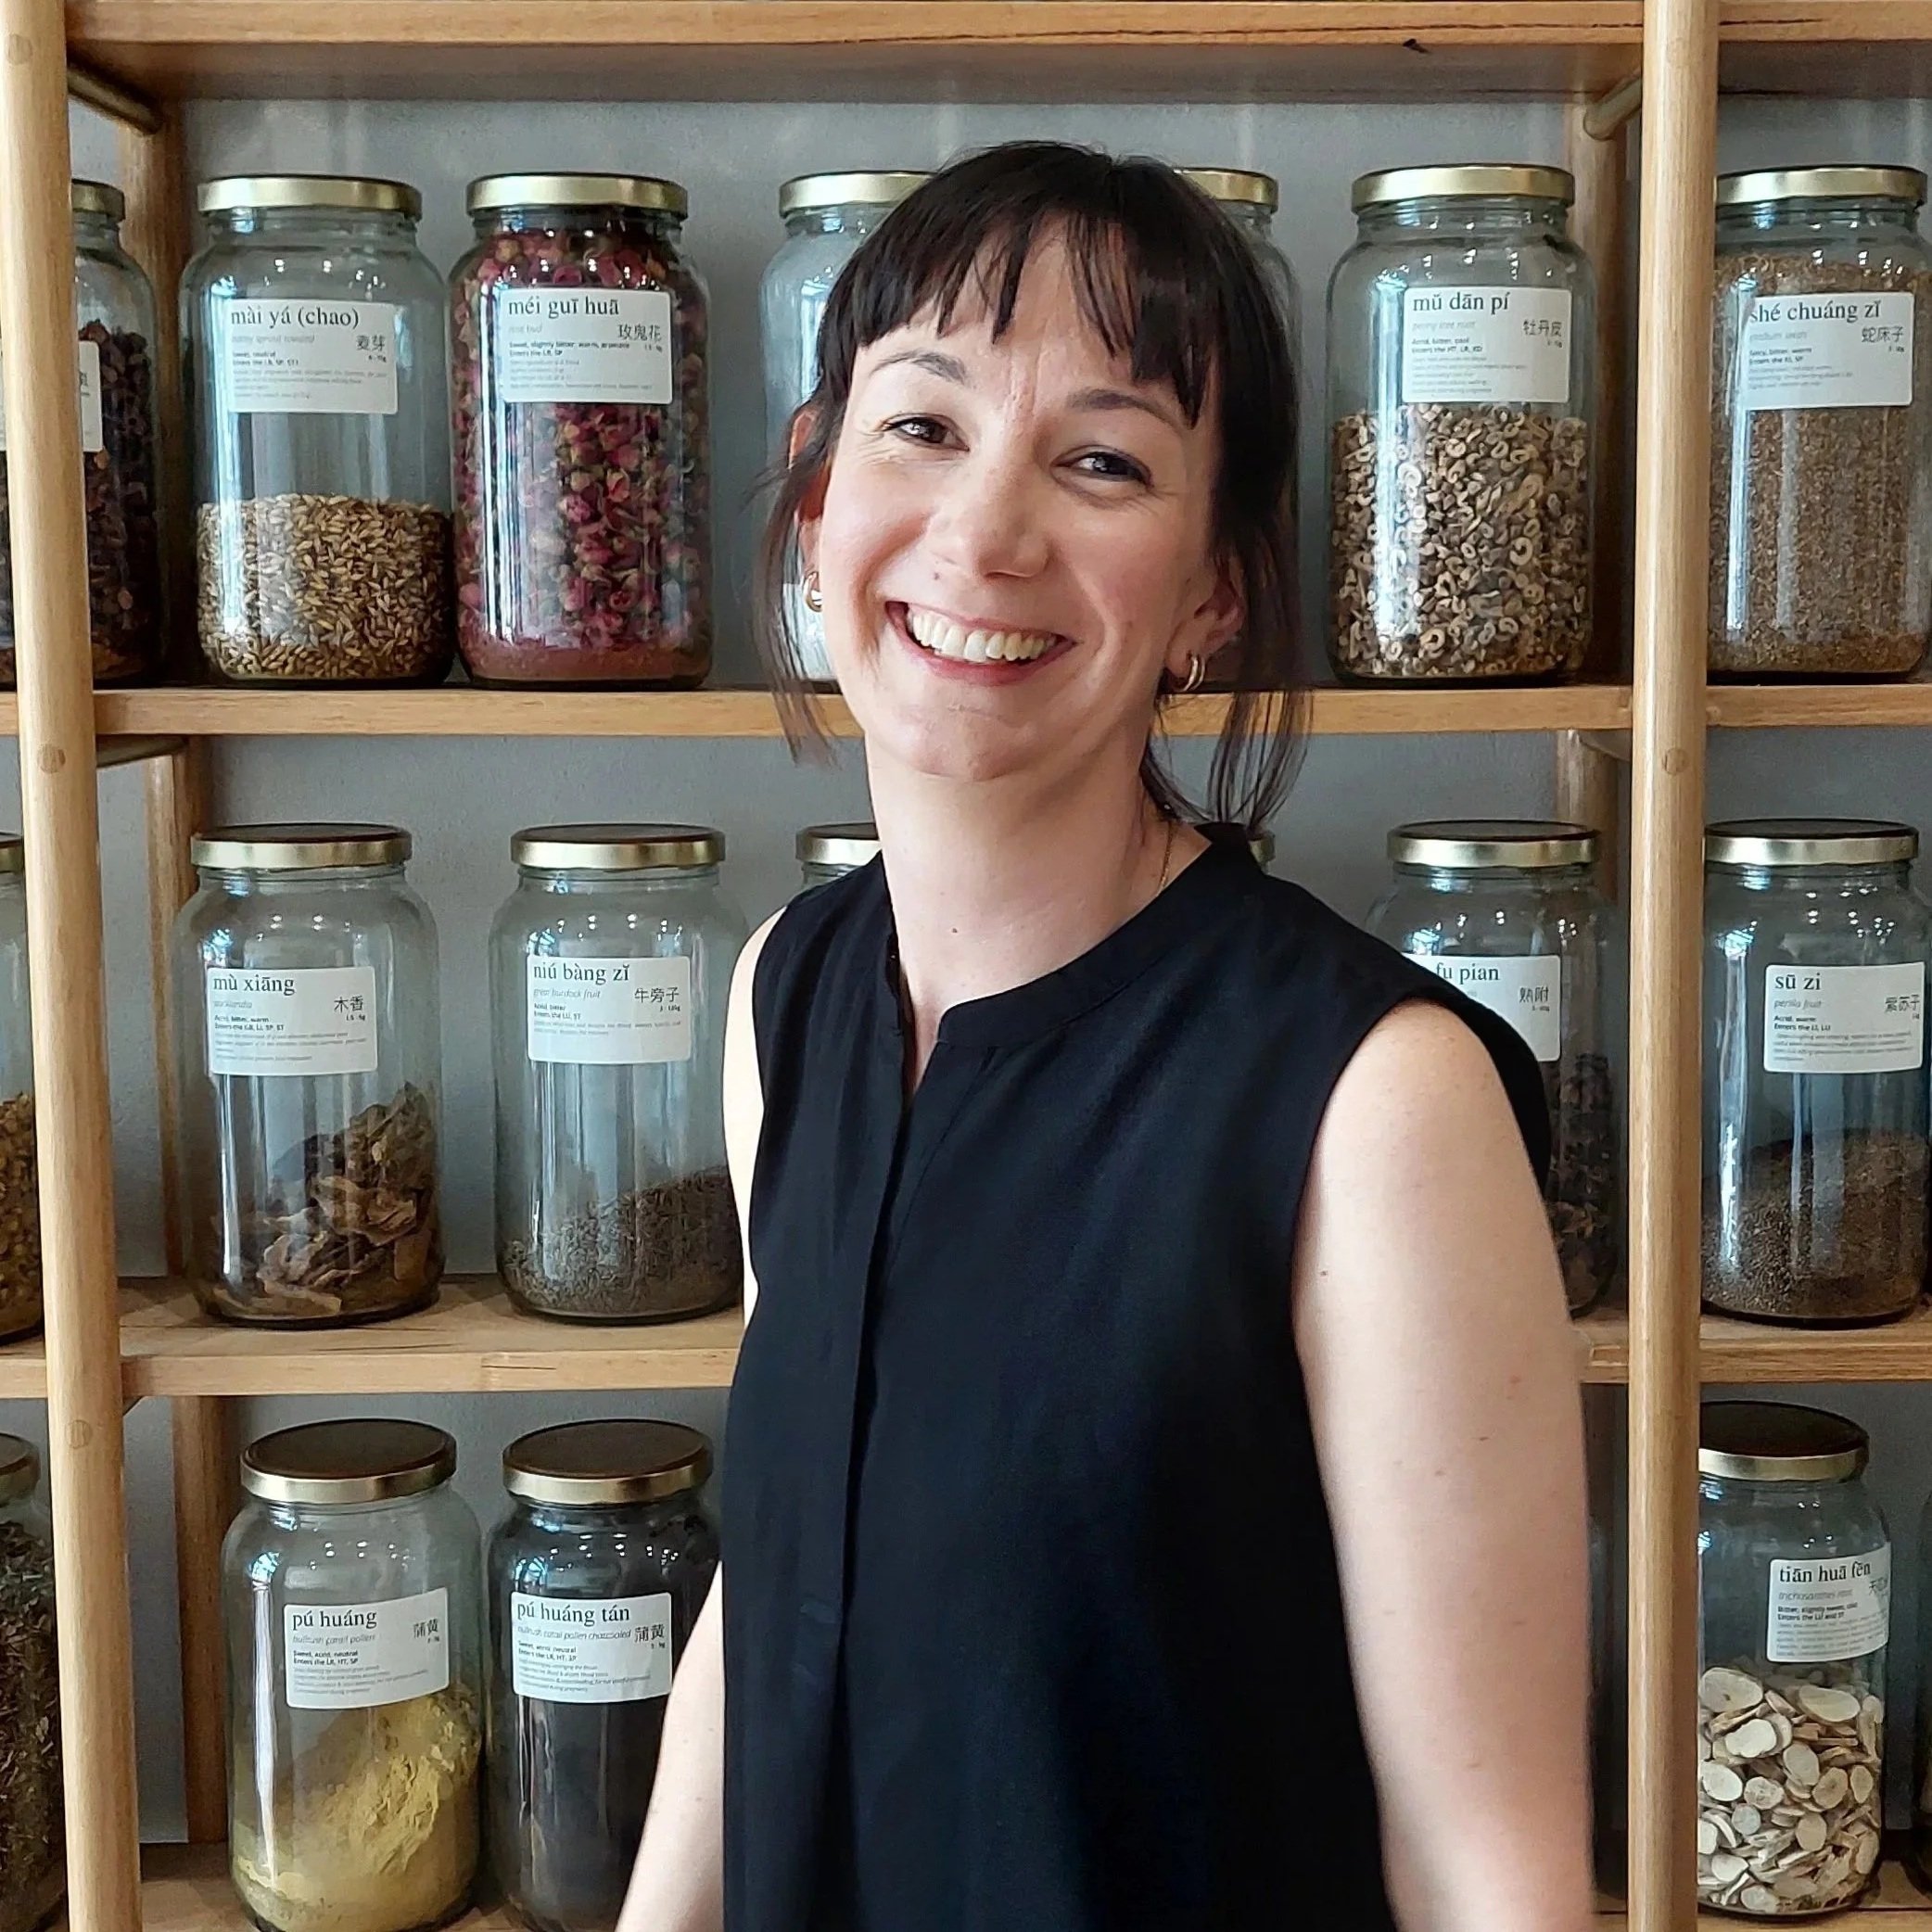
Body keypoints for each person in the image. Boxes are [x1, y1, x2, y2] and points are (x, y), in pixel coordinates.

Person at [620, 141, 1592, 1932]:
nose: (986, 534)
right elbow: (778, 1592)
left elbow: (1491, 1873)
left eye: (1103, 460)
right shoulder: (788, 994)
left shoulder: (1376, 1103)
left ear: (1216, 594)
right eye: (920, 428)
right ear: (818, 492)